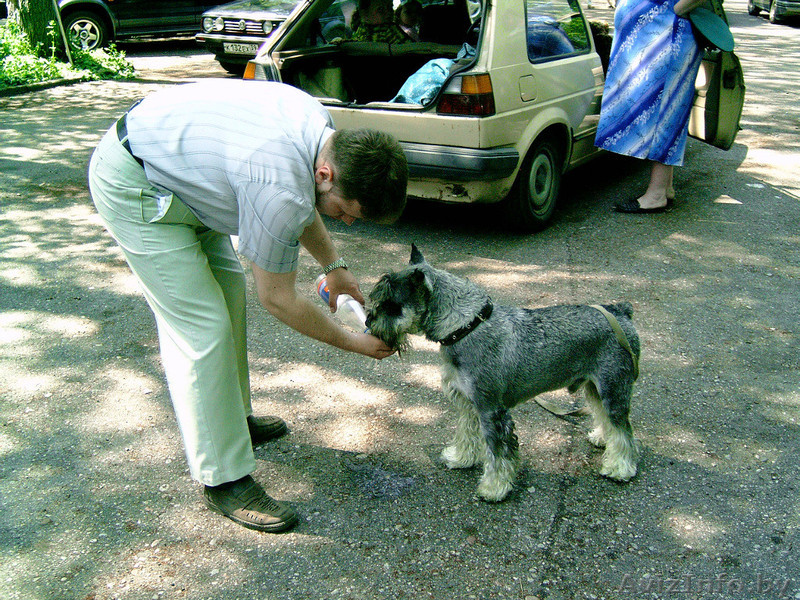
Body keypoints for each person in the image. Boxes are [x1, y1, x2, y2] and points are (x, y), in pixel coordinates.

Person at [88, 80, 408, 533]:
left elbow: (302, 206)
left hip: (187, 179)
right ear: (326, 175)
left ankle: (231, 421)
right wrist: (352, 343)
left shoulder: (324, 138)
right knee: (202, 327)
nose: (349, 221)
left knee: (229, 294)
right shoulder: (277, 182)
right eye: (347, 211)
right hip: (137, 184)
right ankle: (224, 478)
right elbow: (278, 298)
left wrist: (334, 266)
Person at [594, 0, 707, 213]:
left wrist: (675, 11)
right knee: (666, 109)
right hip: (656, 36)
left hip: (668, 35)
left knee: (666, 111)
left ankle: (656, 195)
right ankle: (665, 187)